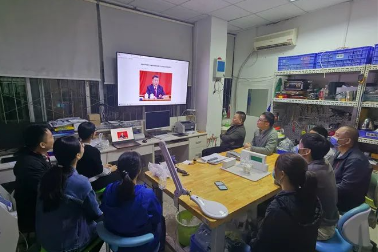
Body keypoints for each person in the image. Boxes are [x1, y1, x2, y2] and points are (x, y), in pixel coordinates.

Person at [36, 136, 103, 252]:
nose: (83, 145)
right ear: (77, 155)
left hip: (44, 239)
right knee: (104, 226)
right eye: (81, 145)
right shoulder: (80, 182)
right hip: (67, 245)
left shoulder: (47, 176)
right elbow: (96, 214)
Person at [250, 153, 322, 252]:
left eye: (275, 168)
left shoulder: (278, 208)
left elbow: (259, 246)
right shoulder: (313, 197)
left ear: (282, 174)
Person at [101, 152, 163, 252]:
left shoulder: (109, 189)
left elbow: (104, 210)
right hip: (142, 245)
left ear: (118, 170)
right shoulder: (147, 195)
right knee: (161, 221)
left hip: (116, 243)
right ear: (139, 171)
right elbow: (156, 218)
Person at [13, 125, 54, 238]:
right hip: (34, 213)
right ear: (42, 144)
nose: (53, 138)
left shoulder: (36, 156)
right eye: (51, 136)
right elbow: (47, 190)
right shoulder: (30, 165)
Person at [299, 133, 339, 240]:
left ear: (306, 151)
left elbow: (282, 178)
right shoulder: (324, 163)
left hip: (322, 229)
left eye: (300, 145)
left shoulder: (311, 172)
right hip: (331, 219)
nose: (298, 147)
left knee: (279, 222)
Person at [331, 126, 372, 212]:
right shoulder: (340, 153)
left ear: (348, 141)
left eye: (337, 135)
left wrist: (325, 189)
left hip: (344, 205)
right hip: (335, 197)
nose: (333, 137)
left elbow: (346, 188)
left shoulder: (356, 160)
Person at [77, 122, 120, 191]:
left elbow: (87, 166)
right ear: (92, 135)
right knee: (118, 174)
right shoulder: (93, 151)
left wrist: (102, 167)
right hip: (92, 183)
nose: (95, 132)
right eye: (94, 131)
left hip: (80, 180)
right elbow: (100, 172)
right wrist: (110, 169)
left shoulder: (76, 147)